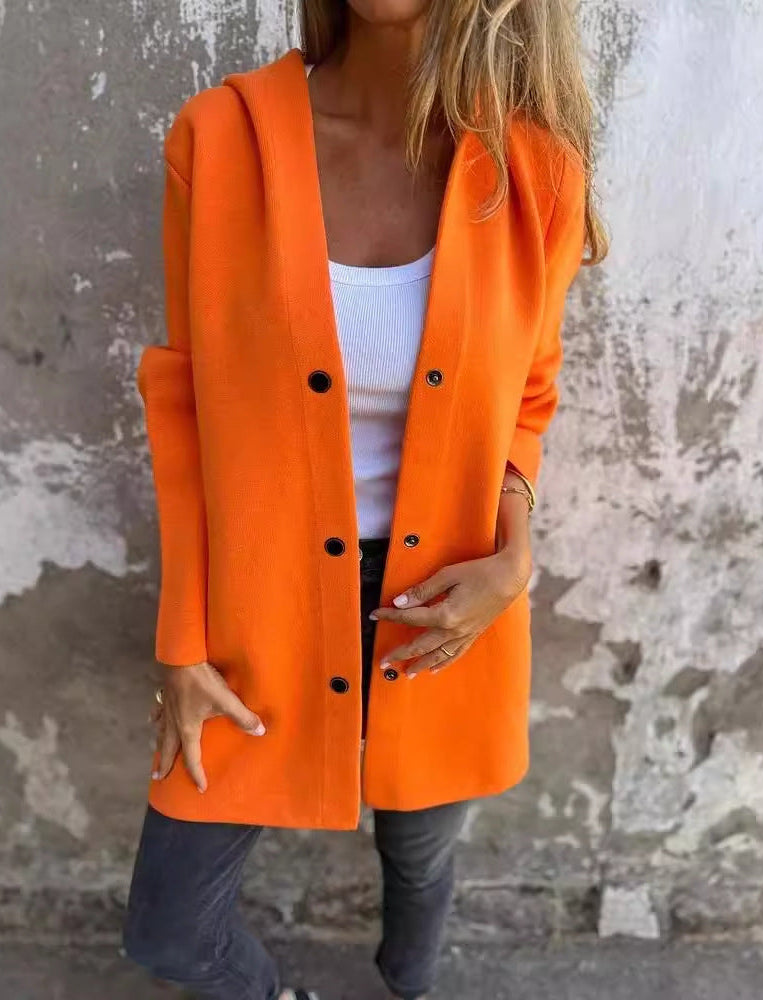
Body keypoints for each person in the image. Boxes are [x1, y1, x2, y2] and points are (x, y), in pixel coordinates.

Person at [122, 2, 607, 998]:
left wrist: (513, 556)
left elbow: (530, 393)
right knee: (171, 930)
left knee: (420, 855)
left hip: (443, 606)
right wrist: (182, 640)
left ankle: (407, 985)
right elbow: (185, 409)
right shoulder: (220, 140)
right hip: (260, 603)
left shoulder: (536, 172)